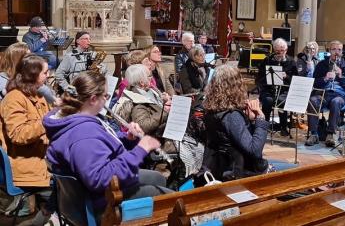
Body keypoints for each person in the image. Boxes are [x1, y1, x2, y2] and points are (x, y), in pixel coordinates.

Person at [43, 71, 172, 218]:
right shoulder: (83, 135)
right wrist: (140, 151)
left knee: (157, 178)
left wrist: (127, 139)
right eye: (105, 96)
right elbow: (100, 179)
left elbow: (100, 144)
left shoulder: (79, 117)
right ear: (92, 99)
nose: (107, 99)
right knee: (169, 199)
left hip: (96, 192)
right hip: (100, 204)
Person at [202, 65, 291, 181]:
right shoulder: (231, 116)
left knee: (282, 164)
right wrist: (260, 118)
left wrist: (250, 120)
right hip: (243, 172)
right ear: (235, 86)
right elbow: (255, 150)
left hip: (222, 166)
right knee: (295, 169)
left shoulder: (211, 111)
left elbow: (235, 140)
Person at [0, 54, 54, 225]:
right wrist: (49, 120)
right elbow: (18, 134)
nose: (49, 75)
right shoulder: (14, 98)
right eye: (45, 72)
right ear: (33, 75)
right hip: (26, 165)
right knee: (72, 189)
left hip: (41, 157)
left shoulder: (38, 95)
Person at [305, 40, 345, 147]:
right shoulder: (322, 64)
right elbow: (315, 82)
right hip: (324, 94)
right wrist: (325, 78)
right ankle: (314, 134)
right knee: (312, 100)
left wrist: (340, 76)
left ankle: (330, 134)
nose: (336, 52)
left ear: (342, 51)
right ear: (329, 50)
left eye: (339, 50)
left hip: (339, 95)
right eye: (334, 49)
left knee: (336, 102)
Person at [257, 38, 298, 137]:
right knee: (267, 100)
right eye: (277, 51)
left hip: (284, 90)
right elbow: (259, 77)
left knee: (281, 101)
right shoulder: (267, 60)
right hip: (269, 89)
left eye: (282, 51)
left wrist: (286, 77)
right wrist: (268, 79)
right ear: (274, 50)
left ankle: (283, 127)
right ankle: (264, 126)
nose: (279, 54)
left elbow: (297, 79)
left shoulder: (291, 62)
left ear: (286, 50)